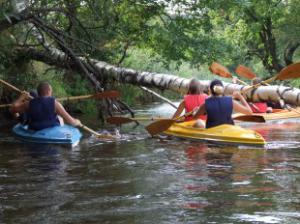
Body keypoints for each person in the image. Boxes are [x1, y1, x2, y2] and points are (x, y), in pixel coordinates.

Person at [10, 82, 81, 130]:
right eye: (51, 91)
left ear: (38, 92)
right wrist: (77, 121)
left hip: (35, 130)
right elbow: (71, 122)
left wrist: (21, 98)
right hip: (52, 129)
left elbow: (12, 109)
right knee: (60, 118)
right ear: (48, 91)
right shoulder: (55, 104)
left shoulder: (28, 104)